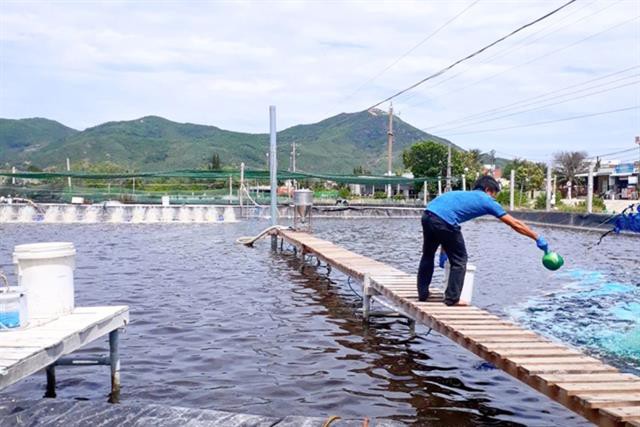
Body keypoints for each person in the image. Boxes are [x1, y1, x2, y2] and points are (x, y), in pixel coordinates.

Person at [418, 175, 549, 306]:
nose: (494, 198)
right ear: (488, 189)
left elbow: (442, 218)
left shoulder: (460, 194)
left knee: (428, 255)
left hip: (428, 215)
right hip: (444, 221)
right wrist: (536, 237)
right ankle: (452, 299)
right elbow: (515, 224)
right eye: (494, 194)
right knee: (460, 260)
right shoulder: (487, 200)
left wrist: (443, 252)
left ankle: (423, 294)